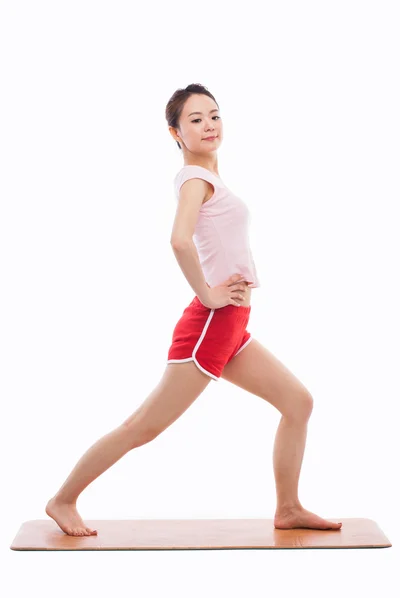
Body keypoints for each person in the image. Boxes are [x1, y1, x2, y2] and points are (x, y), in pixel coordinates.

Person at [45, 83, 342, 536]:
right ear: (175, 133)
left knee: (298, 402)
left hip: (232, 324)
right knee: (144, 426)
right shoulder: (195, 180)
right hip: (212, 322)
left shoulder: (210, 178)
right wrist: (207, 294)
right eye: (196, 119)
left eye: (215, 115)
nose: (209, 125)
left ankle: (288, 507)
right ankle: (63, 499)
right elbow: (178, 239)